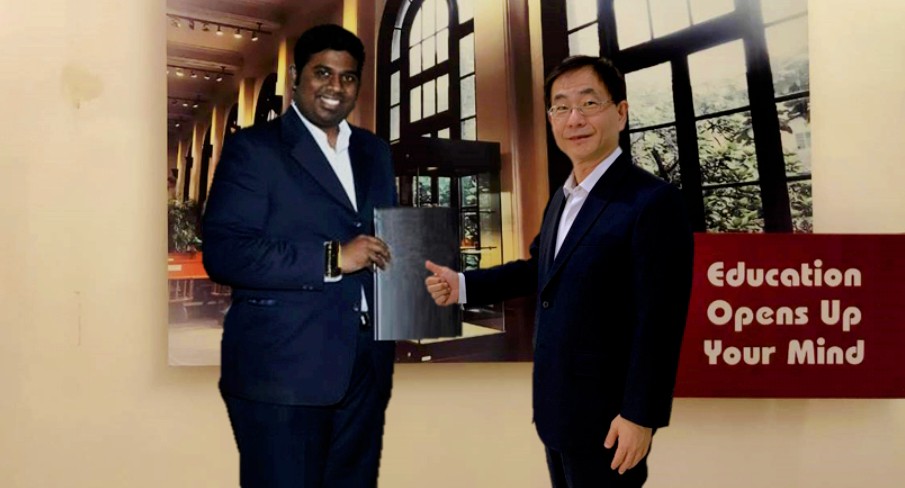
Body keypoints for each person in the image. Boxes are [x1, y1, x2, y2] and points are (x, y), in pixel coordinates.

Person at [424, 55, 694, 487]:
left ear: (621, 113)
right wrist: (464, 285)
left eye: (589, 104)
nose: (574, 119)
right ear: (551, 119)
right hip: (558, 411)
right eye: (561, 107)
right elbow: (539, 271)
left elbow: (660, 320)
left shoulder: (652, 201)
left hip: (611, 422)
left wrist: (640, 415)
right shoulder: (563, 198)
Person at [203, 24, 396, 488]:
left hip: (365, 367)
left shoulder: (373, 151)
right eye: (322, 72)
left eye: (348, 77)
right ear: (295, 77)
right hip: (281, 372)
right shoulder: (254, 149)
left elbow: (383, 241)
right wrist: (332, 259)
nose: (336, 86)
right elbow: (225, 252)